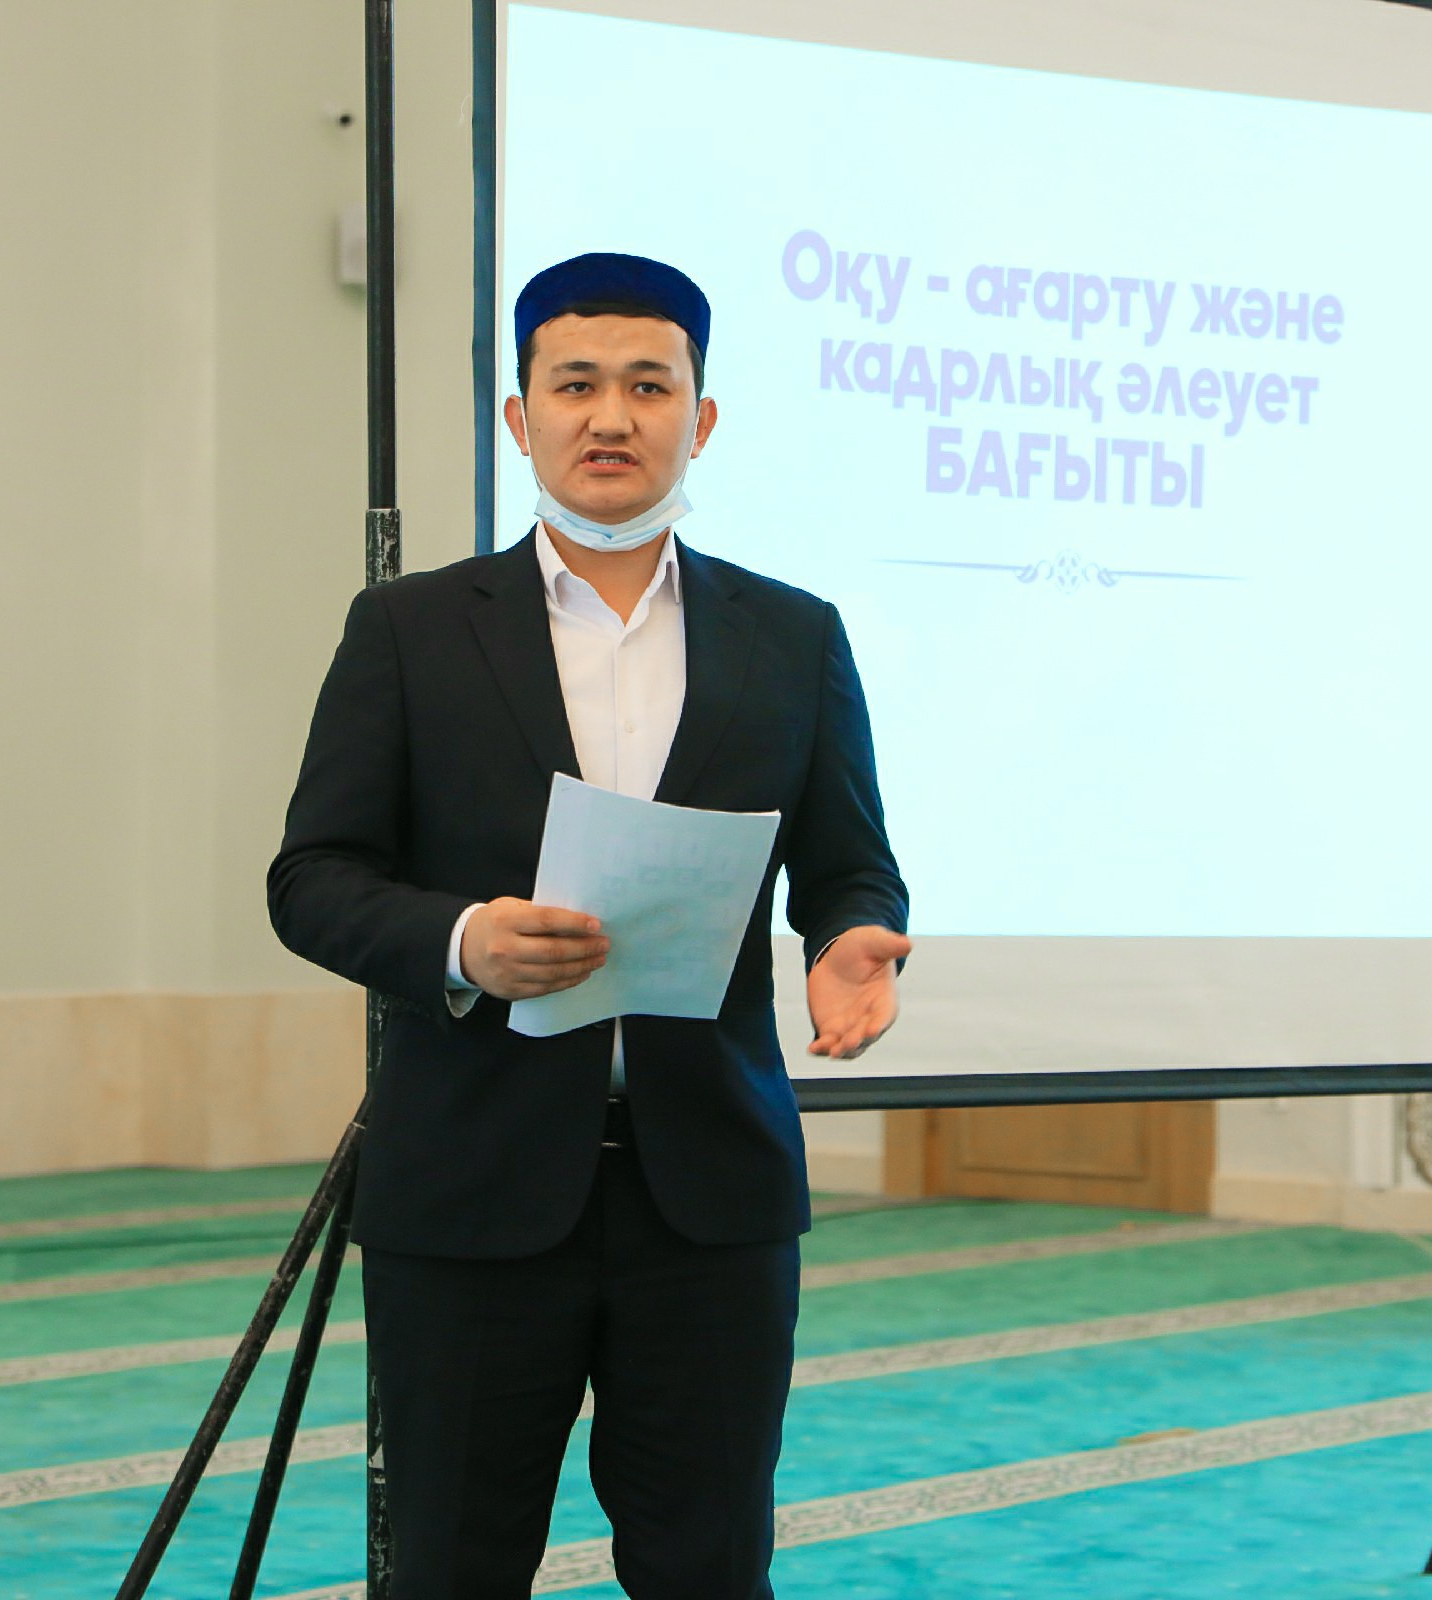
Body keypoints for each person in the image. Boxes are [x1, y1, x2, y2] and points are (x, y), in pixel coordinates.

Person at [266, 250, 910, 1600]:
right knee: (452, 1566)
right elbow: (312, 877)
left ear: (701, 418)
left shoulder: (793, 636)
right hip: (473, 1188)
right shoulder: (411, 630)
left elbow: (851, 866)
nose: (611, 416)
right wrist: (462, 942)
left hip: (710, 1198)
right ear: (521, 416)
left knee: (710, 1565)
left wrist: (851, 938)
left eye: (648, 386)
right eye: (575, 385)